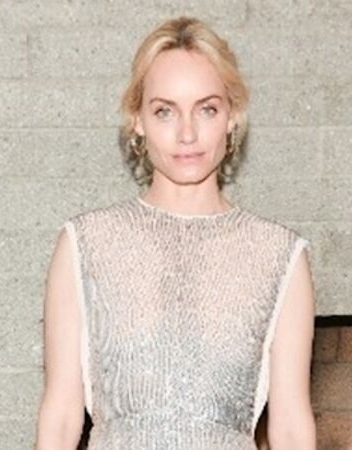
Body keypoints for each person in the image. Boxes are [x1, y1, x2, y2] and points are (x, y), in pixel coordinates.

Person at [35, 16, 317, 450]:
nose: (187, 133)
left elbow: (292, 428)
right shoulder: (84, 244)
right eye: (164, 111)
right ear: (138, 120)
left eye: (207, 109)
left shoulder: (281, 256)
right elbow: (60, 418)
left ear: (232, 117)